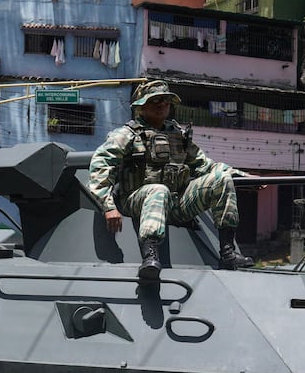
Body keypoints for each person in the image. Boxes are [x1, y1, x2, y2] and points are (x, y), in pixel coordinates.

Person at [88, 78, 253, 281]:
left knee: (221, 179)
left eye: (166, 101)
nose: (162, 106)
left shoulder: (177, 134)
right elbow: (100, 165)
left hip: (175, 204)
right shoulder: (126, 135)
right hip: (136, 201)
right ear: (141, 106)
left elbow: (205, 165)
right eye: (156, 101)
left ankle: (228, 253)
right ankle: (150, 257)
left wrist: (245, 178)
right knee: (158, 189)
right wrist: (108, 206)